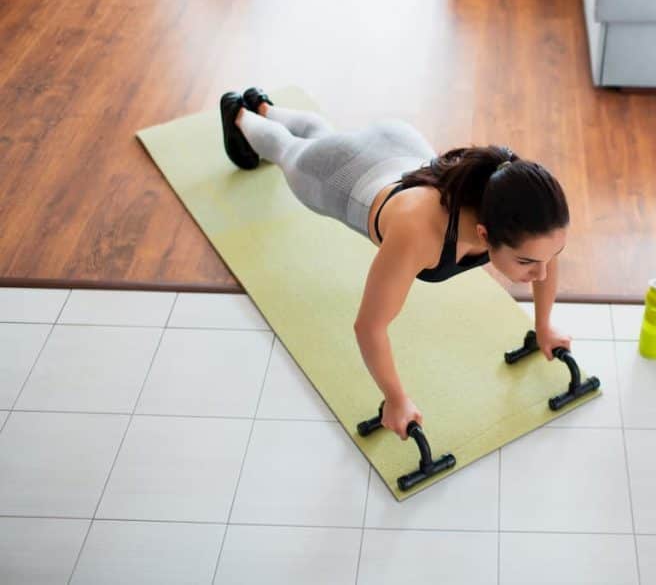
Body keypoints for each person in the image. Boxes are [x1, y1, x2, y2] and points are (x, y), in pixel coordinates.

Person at [220, 88, 572, 439]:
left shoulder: (525, 219)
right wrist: (395, 399)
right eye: (527, 263)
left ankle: (264, 105)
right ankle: (240, 113)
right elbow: (369, 326)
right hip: (347, 181)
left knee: (326, 138)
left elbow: (544, 258)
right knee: (291, 151)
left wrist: (544, 325)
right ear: (483, 234)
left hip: (401, 147)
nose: (539, 273)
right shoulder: (417, 235)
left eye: (547, 259)